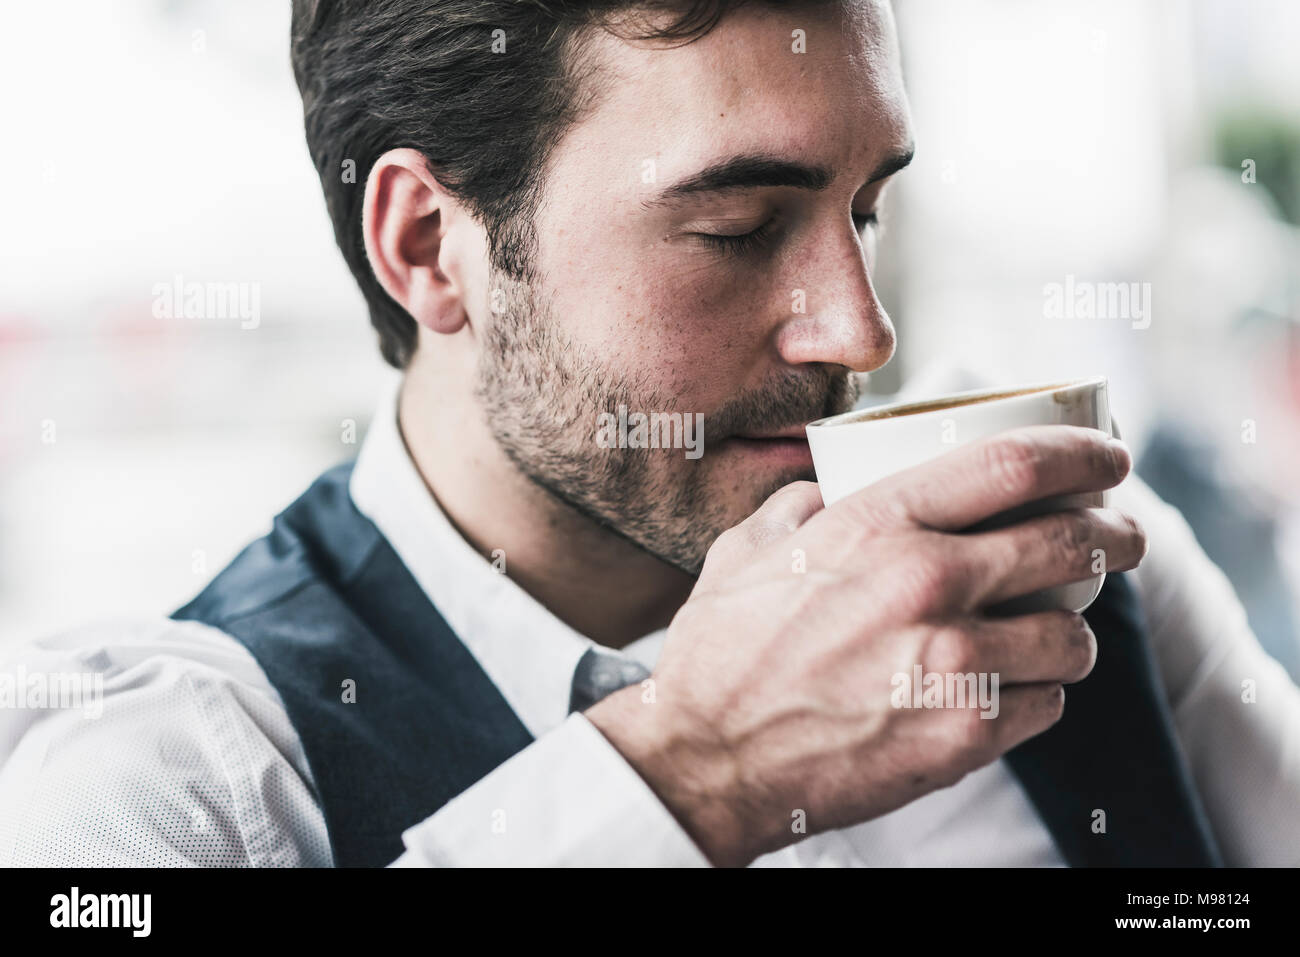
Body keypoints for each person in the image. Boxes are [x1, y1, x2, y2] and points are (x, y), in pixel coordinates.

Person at [2, 0, 1297, 867]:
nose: (859, 334)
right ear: (427, 248)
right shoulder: (169, 781)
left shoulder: (1038, 556)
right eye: (737, 230)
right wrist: (693, 770)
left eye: (866, 211)